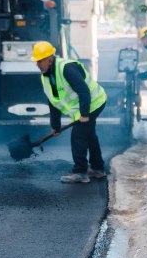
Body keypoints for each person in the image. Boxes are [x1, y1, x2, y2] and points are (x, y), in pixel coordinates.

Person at [32, 41, 107, 183]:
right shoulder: (45, 77)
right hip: (84, 107)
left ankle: (80, 172)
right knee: (89, 135)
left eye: (40, 61)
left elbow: (83, 91)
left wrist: (84, 114)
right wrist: (56, 126)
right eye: (36, 61)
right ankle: (98, 169)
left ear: (49, 59)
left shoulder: (66, 68)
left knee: (78, 135)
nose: (37, 64)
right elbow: (53, 102)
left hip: (94, 102)